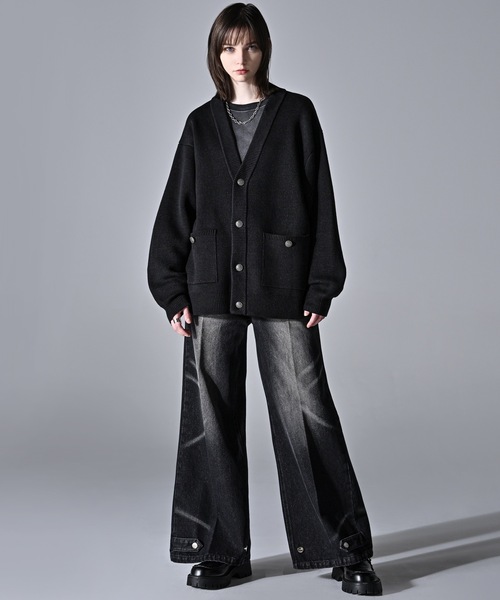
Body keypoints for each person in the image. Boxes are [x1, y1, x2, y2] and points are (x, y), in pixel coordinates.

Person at [147, 3, 382, 595]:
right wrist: (171, 290)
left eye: (249, 46)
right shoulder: (200, 125)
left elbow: (321, 200)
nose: (240, 58)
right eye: (228, 47)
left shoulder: (297, 114)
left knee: (306, 412)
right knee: (211, 421)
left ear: (264, 49)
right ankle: (221, 549)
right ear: (215, 54)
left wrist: (322, 282)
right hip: (210, 288)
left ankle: (344, 547)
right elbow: (177, 208)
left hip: (284, 285)